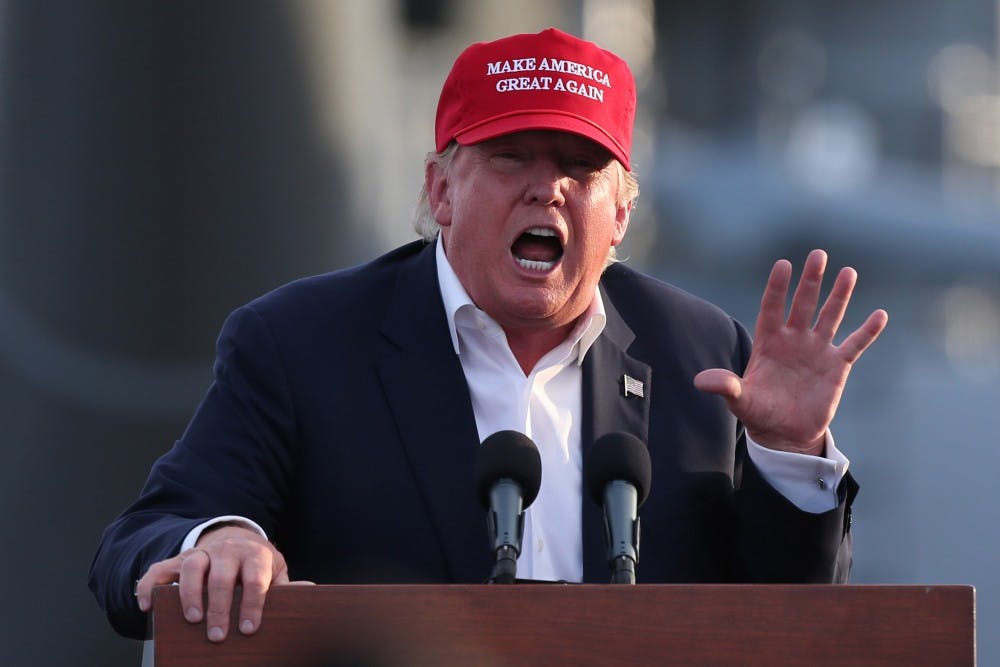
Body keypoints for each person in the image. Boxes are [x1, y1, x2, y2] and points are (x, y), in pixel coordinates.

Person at [89, 27, 888, 643]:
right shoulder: (300, 344)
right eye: (511, 158)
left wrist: (789, 455)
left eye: (580, 167)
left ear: (621, 215)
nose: (547, 187)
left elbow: (792, 624)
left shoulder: (703, 356)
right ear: (441, 188)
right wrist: (221, 537)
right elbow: (136, 543)